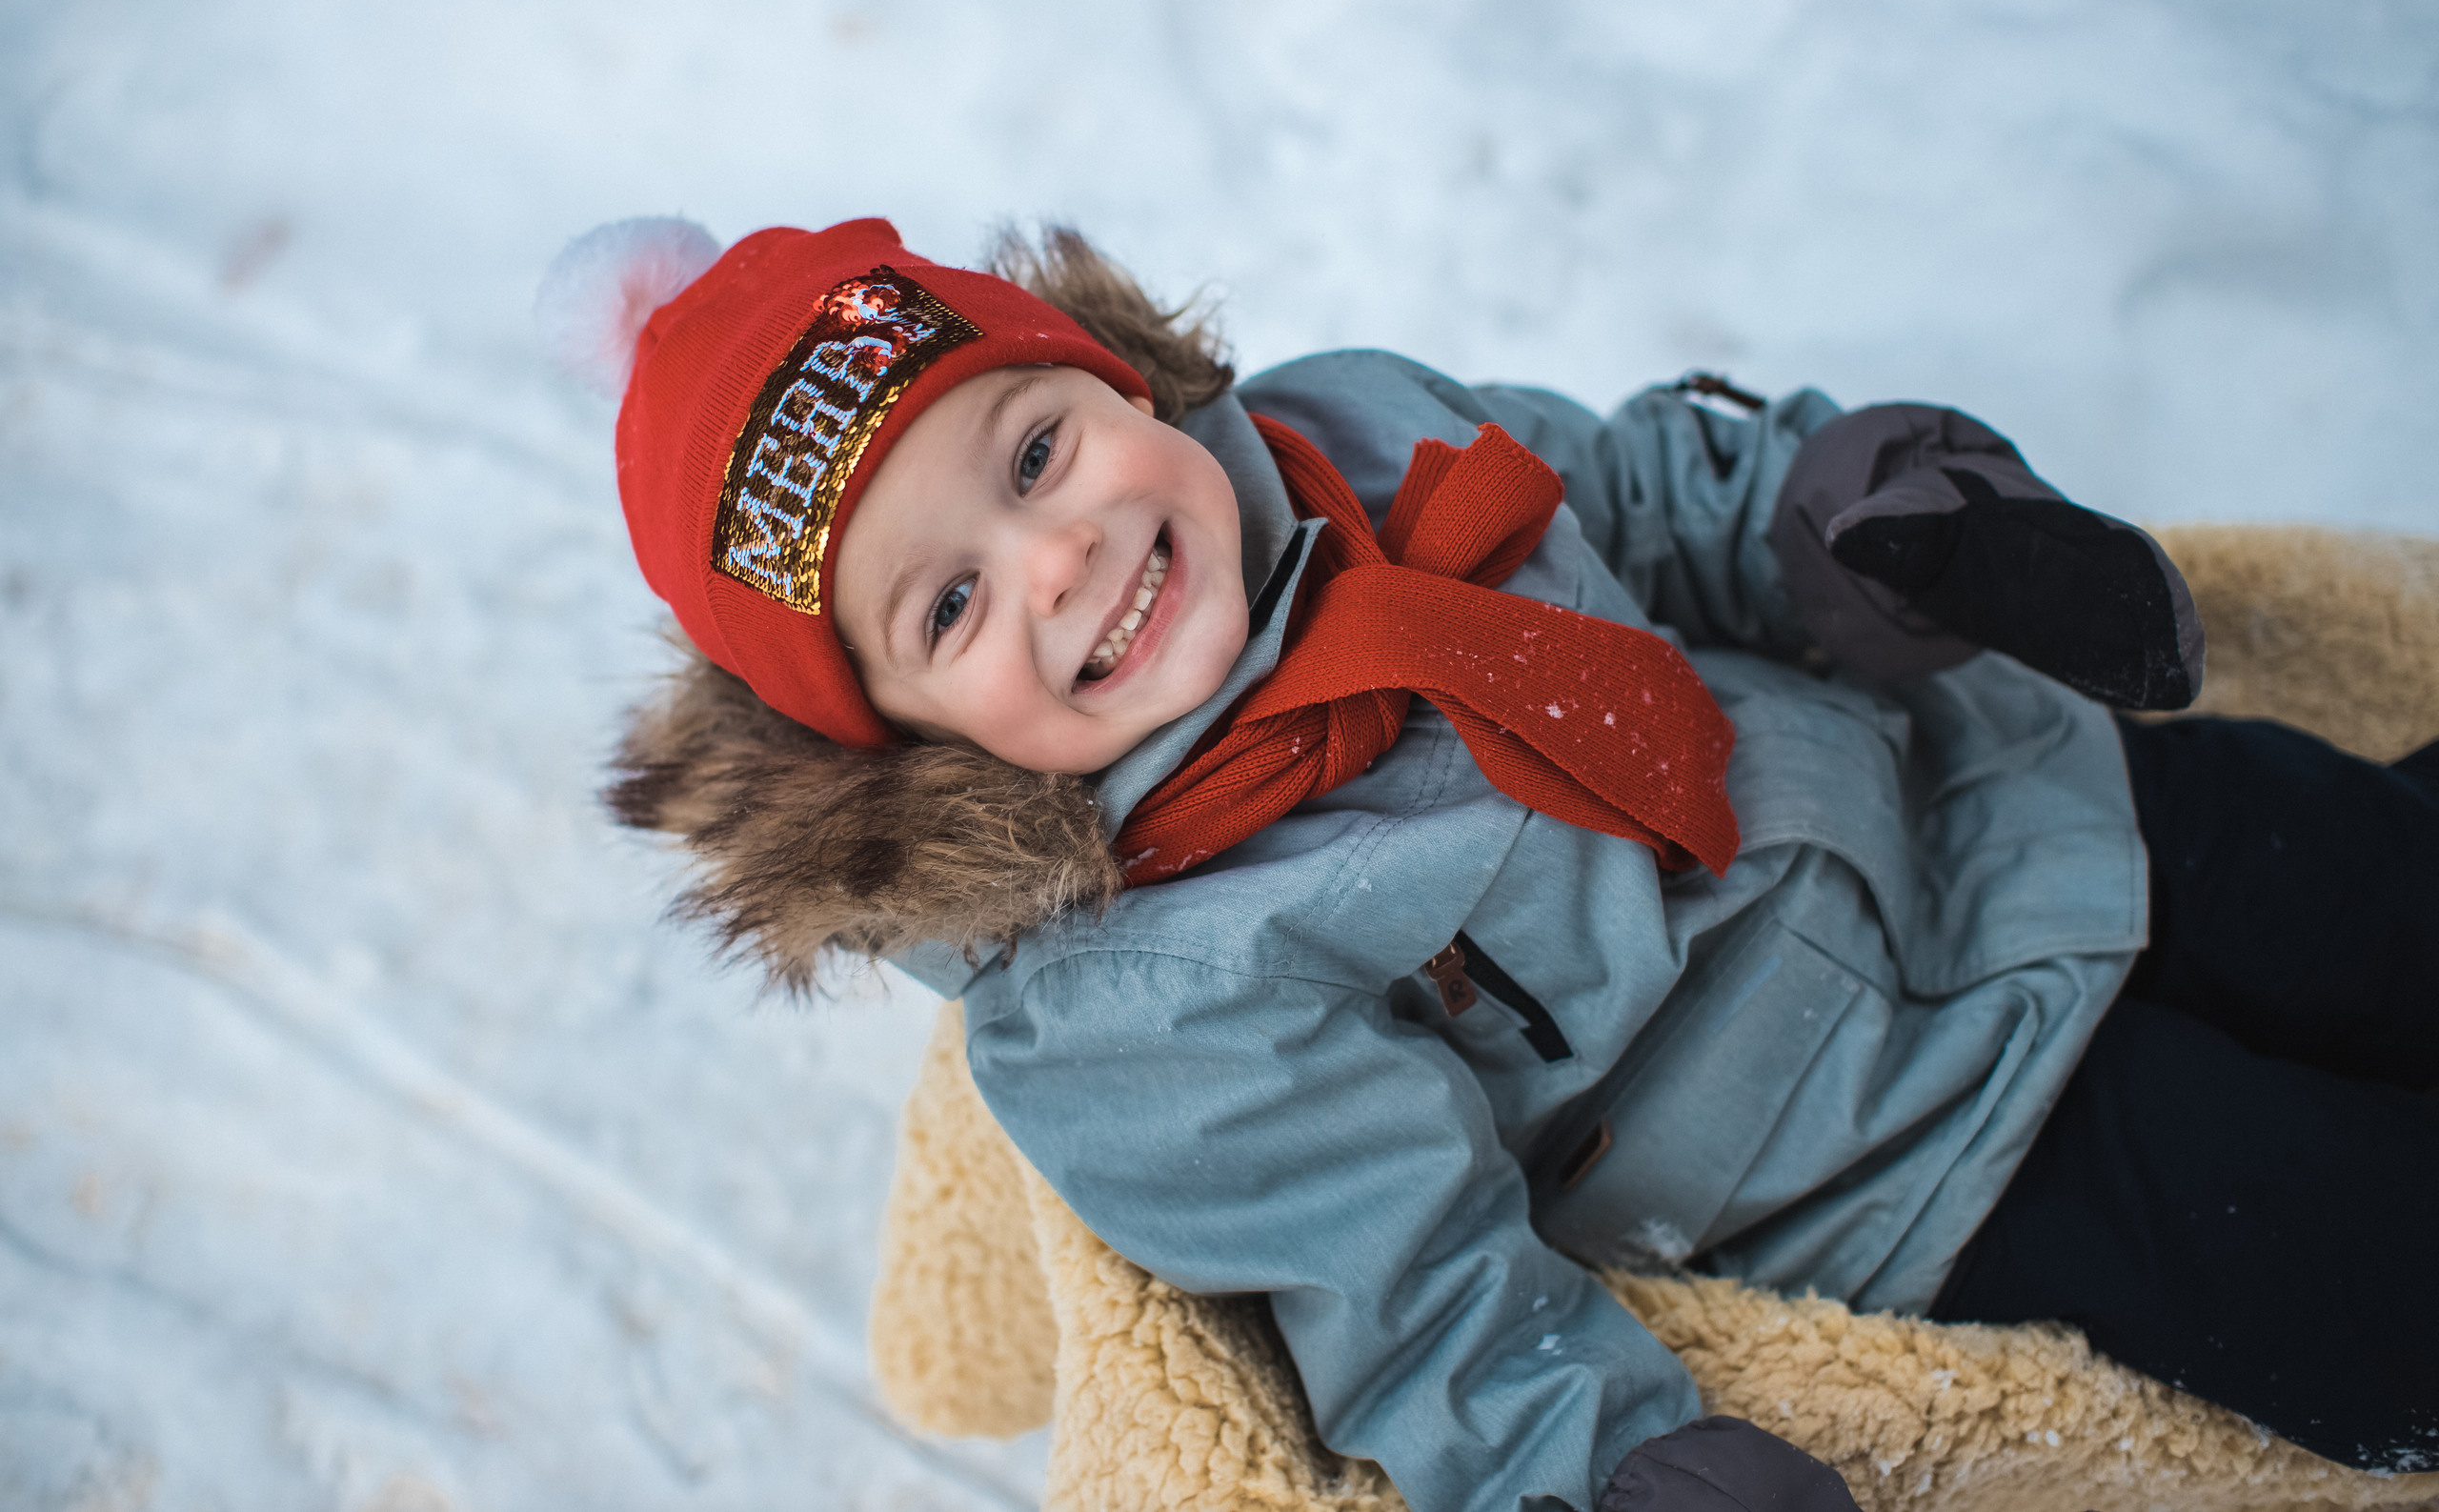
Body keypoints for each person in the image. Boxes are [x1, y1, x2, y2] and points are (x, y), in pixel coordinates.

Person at [542, 215, 2439, 1512]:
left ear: (1106, 381)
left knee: (2390, 884)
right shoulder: (1144, 994)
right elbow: (1417, 1293)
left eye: (1032, 450)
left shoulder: (1350, 427)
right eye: (950, 600)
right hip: (1923, 1145)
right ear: (896, 737)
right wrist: (1600, 1470)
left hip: (2013, 798)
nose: (1058, 559)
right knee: (2367, 1266)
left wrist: (1868, 516)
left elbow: (1635, 489)